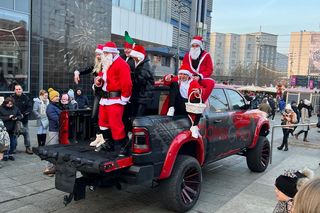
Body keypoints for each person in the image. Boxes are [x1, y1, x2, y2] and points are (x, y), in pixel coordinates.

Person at [93, 41, 132, 156]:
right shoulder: (106, 63)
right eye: (103, 53)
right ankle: (109, 143)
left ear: (112, 53)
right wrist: (98, 81)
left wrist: (124, 98)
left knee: (116, 124)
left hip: (116, 100)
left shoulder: (122, 64)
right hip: (104, 99)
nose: (103, 55)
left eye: (105, 53)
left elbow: (127, 83)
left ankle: (123, 146)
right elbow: (102, 77)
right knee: (103, 123)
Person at [74, 44, 104, 145]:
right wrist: (77, 72)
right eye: (96, 54)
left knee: (102, 117)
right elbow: (86, 70)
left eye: (99, 54)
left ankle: (104, 138)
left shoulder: (106, 65)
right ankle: (98, 136)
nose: (97, 56)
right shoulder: (96, 65)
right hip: (97, 94)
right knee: (94, 116)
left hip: (105, 94)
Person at [164, 65, 203, 138]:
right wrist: (167, 77)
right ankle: (171, 107)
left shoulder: (193, 82)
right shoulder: (177, 80)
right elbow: (167, 81)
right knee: (174, 84)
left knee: (199, 99)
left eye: (184, 74)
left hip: (188, 106)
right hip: (177, 104)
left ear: (188, 76)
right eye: (180, 74)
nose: (182, 76)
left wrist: (198, 91)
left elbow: (200, 89)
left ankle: (194, 126)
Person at [181, 36, 215, 103]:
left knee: (211, 82)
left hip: (201, 78)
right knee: (177, 83)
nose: (194, 48)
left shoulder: (206, 55)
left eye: (196, 46)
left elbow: (209, 70)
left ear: (200, 46)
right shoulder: (187, 56)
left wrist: (199, 76)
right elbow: (183, 68)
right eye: (193, 46)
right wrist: (189, 76)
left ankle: (202, 101)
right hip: (189, 78)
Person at [128, 44, 154, 117]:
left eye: (134, 57)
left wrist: (129, 77)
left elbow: (140, 81)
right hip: (140, 96)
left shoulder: (145, 66)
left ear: (139, 56)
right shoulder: (141, 64)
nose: (133, 59)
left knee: (137, 118)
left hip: (143, 97)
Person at [43, 88, 62, 176]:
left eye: (58, 96)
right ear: (51, 98)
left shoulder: (56, 106)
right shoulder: (50, 107)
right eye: (56, 96)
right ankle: (48, 168)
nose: (58, 97)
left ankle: (54, 167)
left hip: (58, 130)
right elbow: (56, 119)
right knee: (51, 150)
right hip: (54, 131)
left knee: (56, 150)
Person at [11, 84, 33, 154]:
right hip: (15, 120)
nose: (18, 90)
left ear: (22, 90)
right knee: (14, 135)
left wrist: (24, 114)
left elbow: (30, 108)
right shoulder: (11, 98)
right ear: (14, 90)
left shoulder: (26, 98)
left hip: (24, 120)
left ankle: (28, 148)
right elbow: (8, 107)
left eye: (19, 89)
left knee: (26, 134)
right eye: (16, 89)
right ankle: (13, 148)